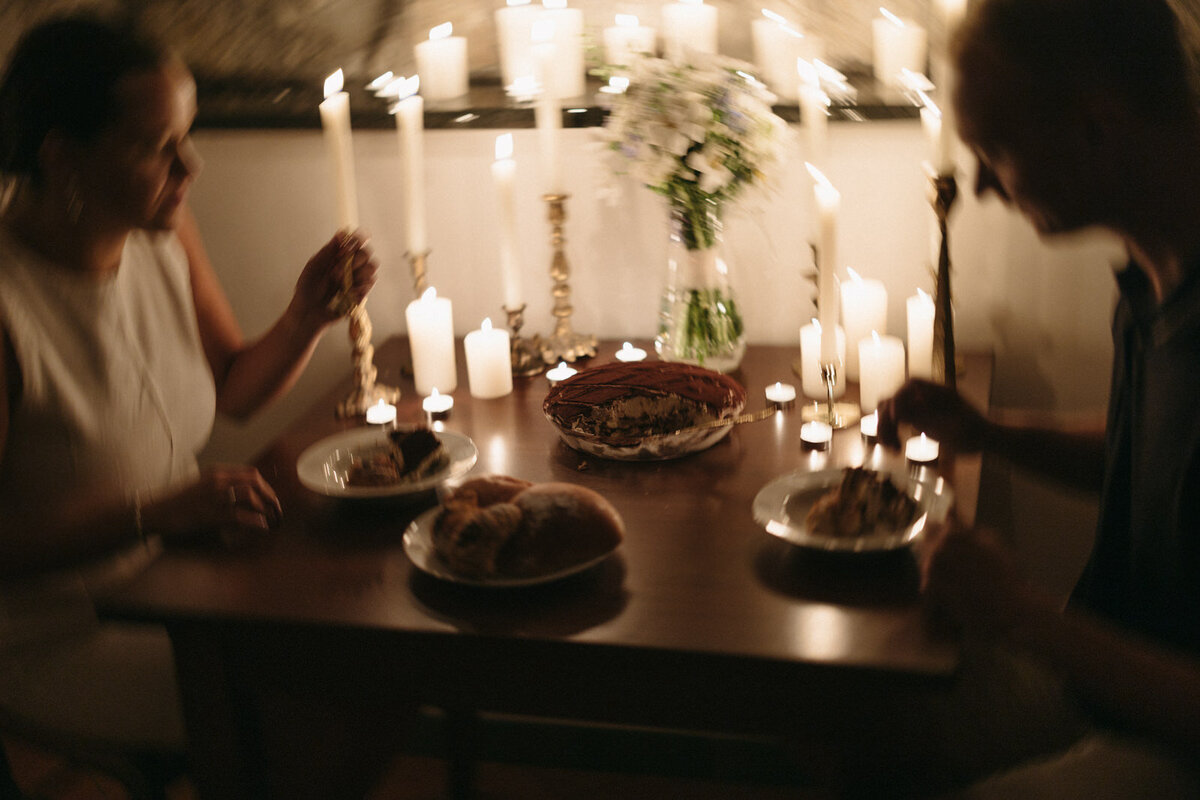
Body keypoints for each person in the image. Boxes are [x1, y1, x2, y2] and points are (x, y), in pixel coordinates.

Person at [0, 14, 377, 765]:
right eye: (157, 146)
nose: (191, 166)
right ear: (63, 157)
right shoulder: (12, 307)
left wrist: (306, 317)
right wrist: (154, 512)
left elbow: (232, 389)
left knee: (370, 628)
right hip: (66, 631)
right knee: (319, 705)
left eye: (188, 133)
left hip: (183, 574)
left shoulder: (162, 233)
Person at [877, 0, 1200, 794]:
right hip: (1109, 672)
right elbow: (1154, 466)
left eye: (995, 149)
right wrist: (993, 432)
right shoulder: (1156, 268)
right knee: (867, 707)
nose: (981, 184)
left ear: (1096, 127)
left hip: (1170, 736)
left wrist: (1019, 613)